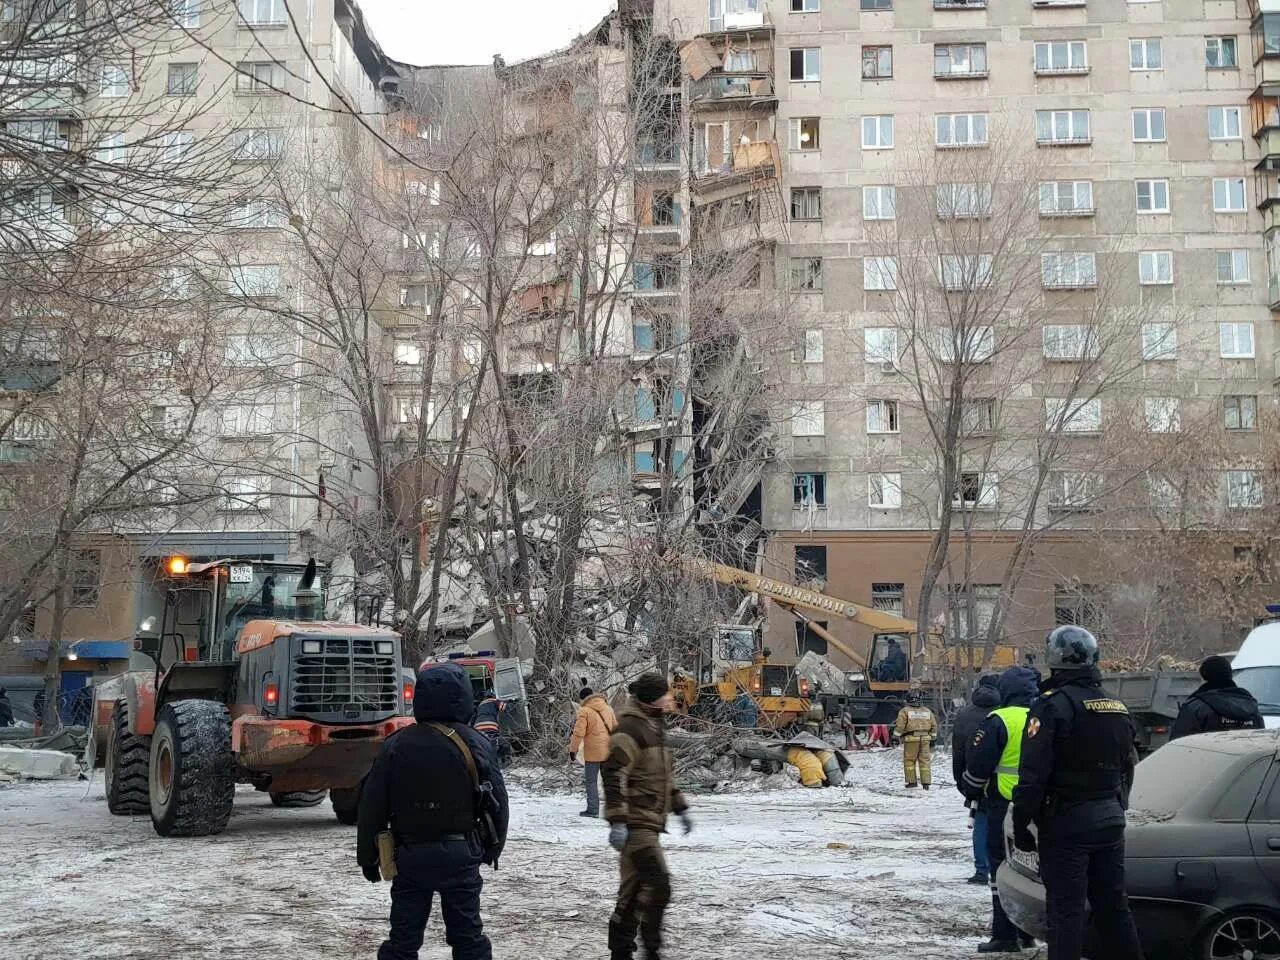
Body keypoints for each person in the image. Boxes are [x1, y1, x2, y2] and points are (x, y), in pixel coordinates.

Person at [357, 663, 510, 960]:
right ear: (465, 697)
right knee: (469, 939)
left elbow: (371, 804)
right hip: (462, 853)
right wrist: (492, 848)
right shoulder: (476, 742)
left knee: (403, 941)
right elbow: (499, 803)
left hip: (411, 855)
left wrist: (368, 857)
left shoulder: (396, 745)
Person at [1012, 626, 1144, 960]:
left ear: (1054, 660)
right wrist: (1118, 805)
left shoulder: (1051, 706)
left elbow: (1032, 774)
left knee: (1066, 913)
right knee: (1114, 910)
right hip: (1110, 819)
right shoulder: (1116, 705)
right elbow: (1129, 764)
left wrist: (1021, 824)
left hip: (1067, 824)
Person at [602, 673, 692, 960]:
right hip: (636, 824)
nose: (671, 698)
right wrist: (617, 820)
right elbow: (614, 774)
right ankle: (650, 951)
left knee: (634, 890)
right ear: (654, 698)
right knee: (658, 885)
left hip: (650, 823)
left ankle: (621, 952)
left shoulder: (654, 727)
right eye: (666, 694)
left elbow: (662, 776)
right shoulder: (630, 729)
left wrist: (680, 808)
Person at [961, 666, 1039, 953]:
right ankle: (1028, 932)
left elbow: (978, 765)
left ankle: (1004, 935)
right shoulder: (1044, 714)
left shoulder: (999, 720)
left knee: (1001, 870)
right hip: (1041, 806)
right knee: (1031, 871)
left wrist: (971, 792)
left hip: (1003, 804)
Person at [952, 674, 1001, 884]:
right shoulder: (1004, 713)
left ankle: (982, 870)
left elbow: (958, 752)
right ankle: (1002, 868)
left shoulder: (964, 714)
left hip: (974, 777)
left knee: (980, 821)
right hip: (1004, 779)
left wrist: (962, 782)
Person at [1170, 654, 1263, 740]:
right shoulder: (1251, 707)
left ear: (1204, 675)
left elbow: (1177, 745)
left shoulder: (1196, 708)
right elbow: (1262, 744)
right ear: (1230, 674)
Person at [569, 685, 617, 818]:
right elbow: (615, 729)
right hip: (608, 751)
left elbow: (578, 733)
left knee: (591, 781)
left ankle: (593, 810)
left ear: (583, 699)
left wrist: (573, 750)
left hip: (593, 753)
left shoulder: (584, 711)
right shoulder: (608, 708)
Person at [893, 689, 937, 789]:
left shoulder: (904, 711)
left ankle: (912, 782)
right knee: (925, 761)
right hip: (926, 738)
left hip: (911, 739)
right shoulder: (927, 711)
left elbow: (900, 726)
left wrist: (895, 736)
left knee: (909, 761)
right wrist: (933, 739)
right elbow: (934, 725)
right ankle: (926, 783)